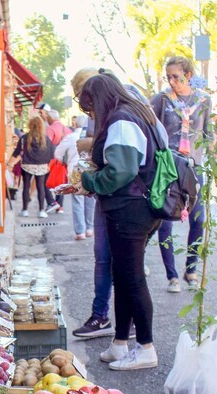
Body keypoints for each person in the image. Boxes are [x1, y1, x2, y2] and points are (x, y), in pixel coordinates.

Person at [72, 73, 163, 370]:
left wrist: (88, 179)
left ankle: (146, 347)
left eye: (91, 108)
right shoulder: (134, 112)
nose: (92, 114)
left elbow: (120, 172)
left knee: (132, 278)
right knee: (123, 274)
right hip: (134, 208)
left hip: (130, 208)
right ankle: (120, 342)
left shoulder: (121, 120)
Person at [150, 56, 211, 293]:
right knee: (165, 222)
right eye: (169, 77)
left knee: (198, 219)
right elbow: (150, 128)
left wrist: (213, 162)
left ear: (189, 75)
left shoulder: (203, 100)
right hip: (168, 168)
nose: (172, 81)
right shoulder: (161, 100)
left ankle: (191, 269)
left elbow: (207, 134)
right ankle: (172, 275)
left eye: (177, 76)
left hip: (194, 168)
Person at [7, 116, 56, 218]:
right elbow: (51, 153)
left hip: (27, 165)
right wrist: (47, 164)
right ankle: (41, 210)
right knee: (40, 187)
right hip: (41, 166)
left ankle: (24, 210)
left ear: (30, 125)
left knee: (26, 187)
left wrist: (9, 162)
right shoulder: (45, 139)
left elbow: (17, 152)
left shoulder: (25, 138)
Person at [55, 115, 92, 239]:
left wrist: (65, 161)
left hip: (74, 172)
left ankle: (80, 231)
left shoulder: (71, 137)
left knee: (78, 202)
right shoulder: (93, 137)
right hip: (91, 171)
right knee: (90, 200)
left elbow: (57, 153)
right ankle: (89, 228)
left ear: (76, 124)